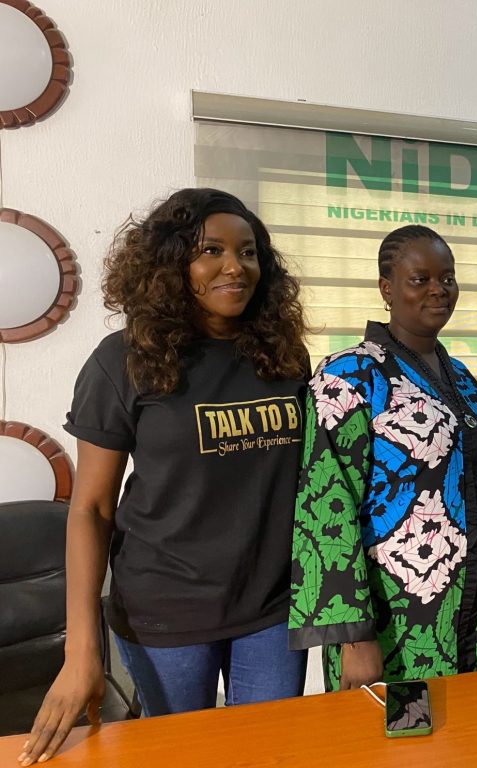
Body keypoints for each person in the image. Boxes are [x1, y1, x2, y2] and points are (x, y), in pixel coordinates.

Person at [20, 189, 311, 766]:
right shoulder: (124, 359)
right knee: (182, 757)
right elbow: (92, 510)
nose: (236, 266)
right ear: (172, 263)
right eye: (211, 250)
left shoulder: (283, 356)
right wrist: (83, 651)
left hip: (273, 607)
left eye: (249, 252)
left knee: (271, 755)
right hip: (166, 613)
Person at [289, 224, 477, 690]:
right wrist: (355, 638)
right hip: (391, 623)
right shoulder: (347, 377)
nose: (439, 290)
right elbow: (325, 508)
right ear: (386, 289)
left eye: (447, 278)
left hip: (468, 615)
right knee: (400, 749)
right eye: (420, 279)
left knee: (466, 745)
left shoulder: (463, 380)